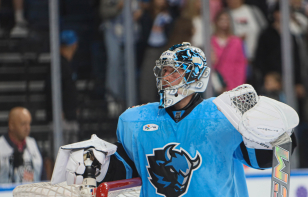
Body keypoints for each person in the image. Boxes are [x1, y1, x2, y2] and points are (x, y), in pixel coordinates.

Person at [51, 43, 298, 197]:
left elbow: (264, 161)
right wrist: (101, 165)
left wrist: (274, 137)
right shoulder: (136, 119)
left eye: (173, 71)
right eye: (164, 71)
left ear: (194, 75)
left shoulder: (224, 114)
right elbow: (131, 167)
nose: (165, 78)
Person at [0, 107, 43, 183]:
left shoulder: (33, 144)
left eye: (29, 123)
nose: (27, 128)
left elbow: (43, 176)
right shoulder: (1, 145)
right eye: (23, 124)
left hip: (32, 193)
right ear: (11, 125)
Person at [211, 9, 247, 91]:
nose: (224, 22)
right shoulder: (210, 42)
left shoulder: (236, 42)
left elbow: (241, 64)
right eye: (221, 19)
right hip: (217, 84)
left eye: (226, 19)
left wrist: (239, 86)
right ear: (216, 21)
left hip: (234, 84)